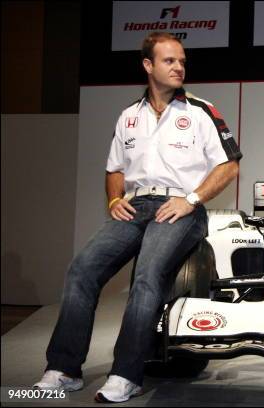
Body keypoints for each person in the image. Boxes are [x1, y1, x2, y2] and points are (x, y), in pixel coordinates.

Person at [33, 32, 242, 402]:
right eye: (169, 61)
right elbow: (114, 168)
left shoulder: (200, 111)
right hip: (135, 206)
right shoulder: (129, 116)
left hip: (180, 209)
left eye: (182, 61)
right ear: (148, 66)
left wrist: (191, 199)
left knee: (146, 277)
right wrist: (114, 199)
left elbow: (229, 166)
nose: (179, 67)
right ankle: (65, 369)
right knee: (82, 269)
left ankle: (126, 374)